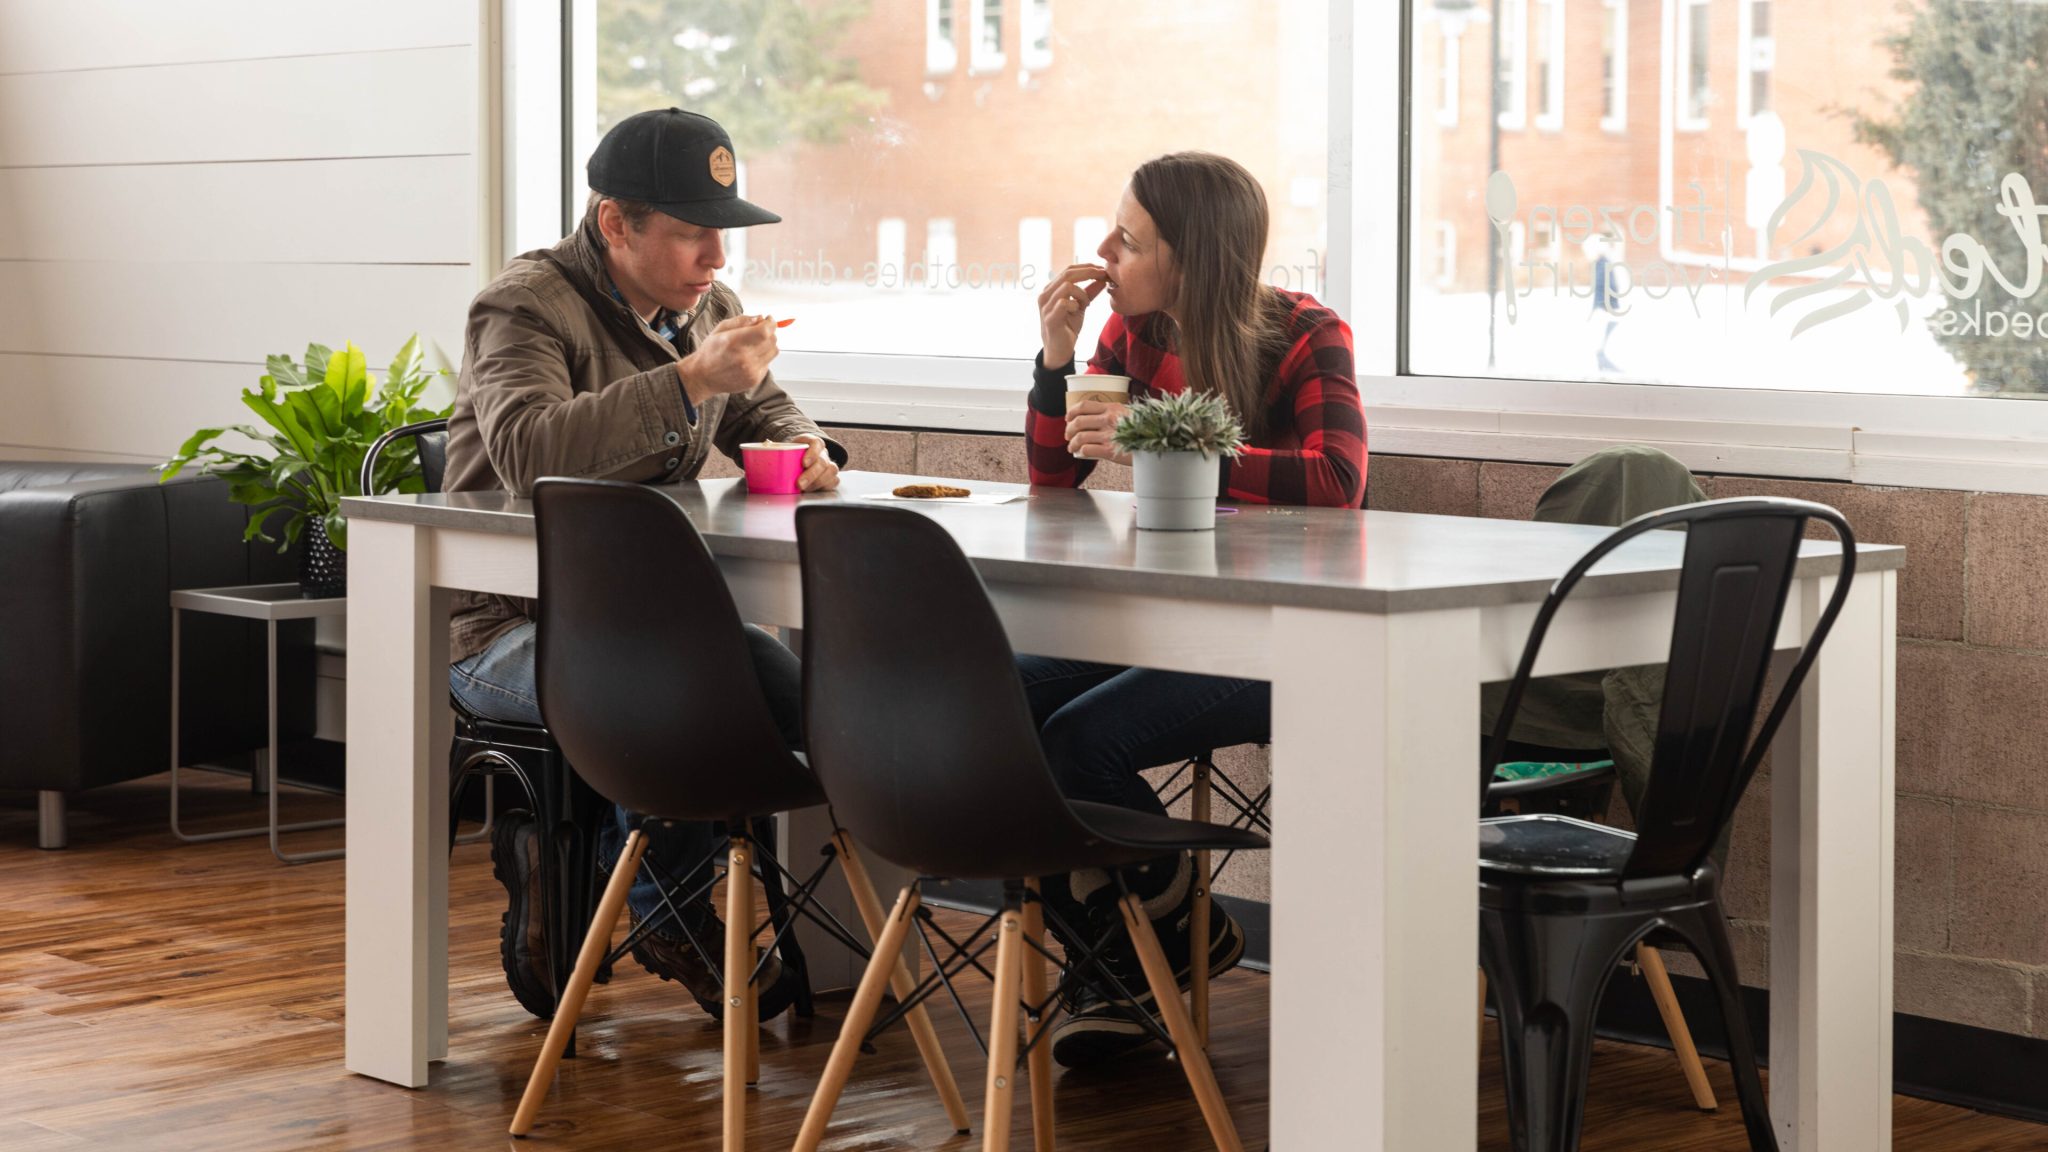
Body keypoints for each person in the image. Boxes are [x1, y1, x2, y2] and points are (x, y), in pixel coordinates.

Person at [441, 107, 844, 1022]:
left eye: (723, 233)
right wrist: (691, 379)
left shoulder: (709, 308)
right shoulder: (522, 305)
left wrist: (811, 447)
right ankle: (669, 912)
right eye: (694, 233)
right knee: (680, 688)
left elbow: (768, 411)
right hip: (509, 626)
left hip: (659, 623)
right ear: (615, 223)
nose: (717, 257)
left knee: (824, 702)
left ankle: (841, 947)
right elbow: (529, 452)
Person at [1020, 151, 1368, 1067]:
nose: (1104, 254)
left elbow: (1337, 481)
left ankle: (1122, 959)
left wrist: (1156, 439)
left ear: (1192, 255)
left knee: (1079, 742)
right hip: (1153, 623)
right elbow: (1054, 478)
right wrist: (1056, 360)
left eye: (1128, 241)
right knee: (997, 691)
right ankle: (1168, 927)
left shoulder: (1306, 334)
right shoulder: (1128, 335)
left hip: (1277, 637)